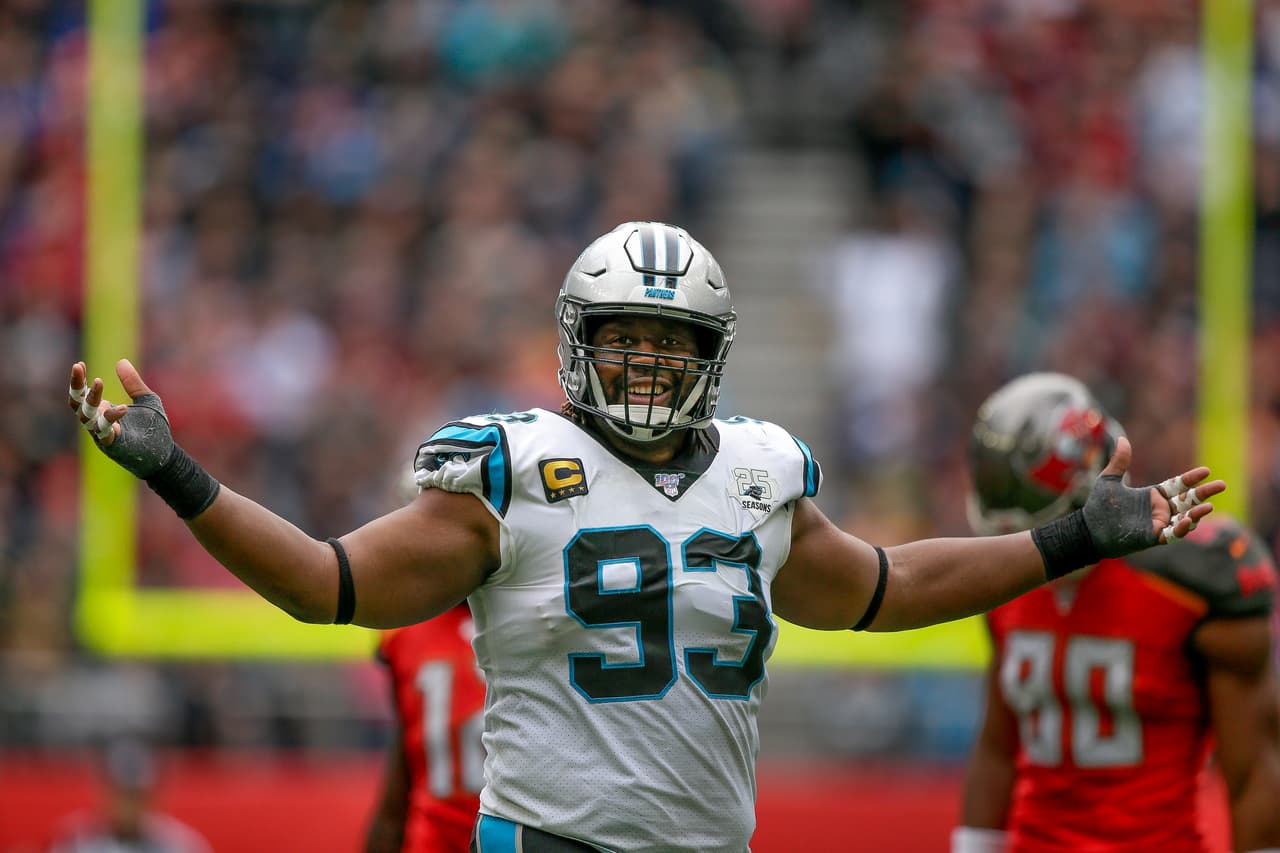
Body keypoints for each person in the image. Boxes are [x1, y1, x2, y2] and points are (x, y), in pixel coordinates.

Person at [70, 221, 1222, 853]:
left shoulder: (760, 471)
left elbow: (885, 585)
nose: (647, 364)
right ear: (578, 342)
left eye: (672, 345)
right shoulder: (512, 468)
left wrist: (1069, 538)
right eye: (625, 339)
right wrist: (178, 473)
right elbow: (326, 584)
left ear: (711, 358)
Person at [952, 373, 1280, 853]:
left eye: (1042, 525)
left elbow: (1254, 772)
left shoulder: (1194, 580)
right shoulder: (1004, 579)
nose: (1029, 546)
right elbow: (998, 748)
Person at [365, 603, 485, 853]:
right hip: (440, 832)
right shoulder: (405, 628)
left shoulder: (404, 626)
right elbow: (405, 748)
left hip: (509, 829)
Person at [47, 737, 212, 853]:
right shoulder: (76, 840)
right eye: (121, 794)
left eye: (136, 796)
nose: (128, 805)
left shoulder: (181, 844)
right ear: (105, 793)